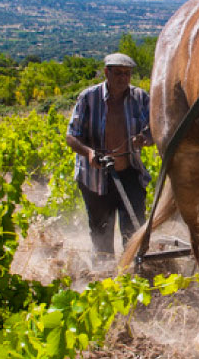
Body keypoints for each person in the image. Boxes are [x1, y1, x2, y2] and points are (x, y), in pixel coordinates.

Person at [65, 53, 154, 259]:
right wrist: (89, 153)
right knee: (101, 234)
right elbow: (71, 136)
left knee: (133, 230)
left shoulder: (140, 98)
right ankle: (104, 276)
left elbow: (154, 130)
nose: (123, 78)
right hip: (95, 178)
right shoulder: (88, 97)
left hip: (130, 172)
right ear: (106, 72)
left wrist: (145, 139)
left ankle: (133, 272)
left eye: (128, 74)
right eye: (119, 73)